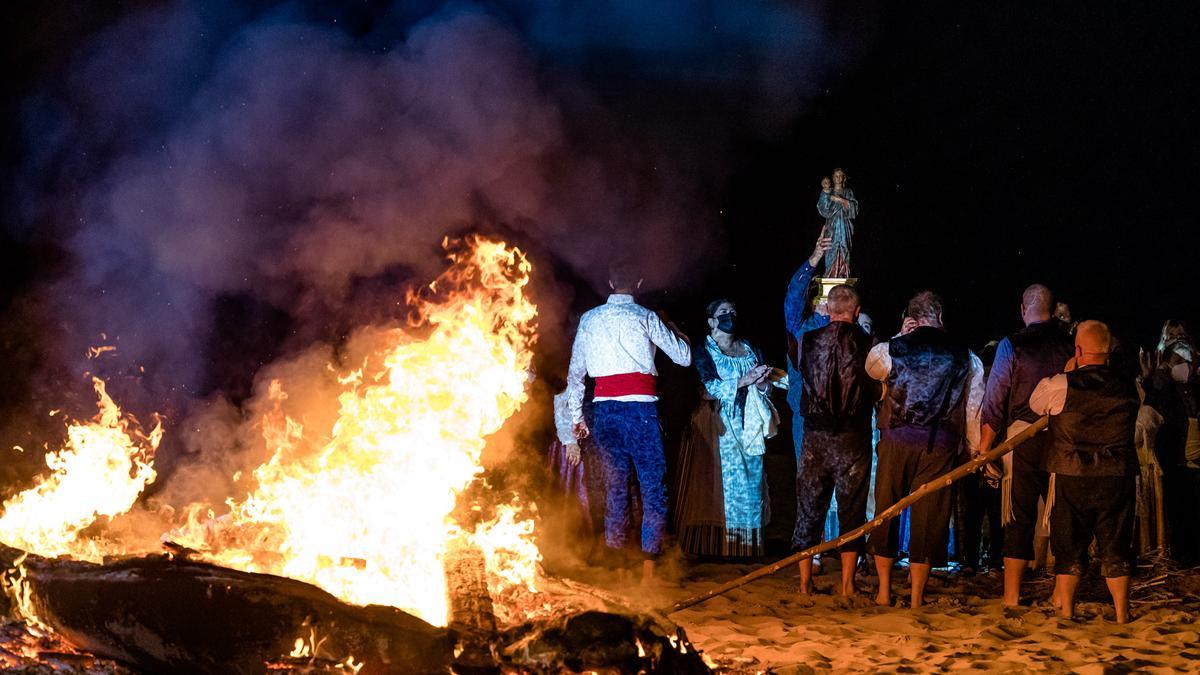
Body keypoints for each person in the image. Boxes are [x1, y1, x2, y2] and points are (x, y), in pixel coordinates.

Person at [565, 260, 691, 584]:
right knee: (653, 488)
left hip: (605, 412)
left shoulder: (589, 320)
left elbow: (575, 375)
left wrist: (577, 419)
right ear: (639, 282)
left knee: (615, 488)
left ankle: (619, 569)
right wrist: (672, 328)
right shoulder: (645, 316)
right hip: (641, 412)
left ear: (609, 283)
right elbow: (684, 357)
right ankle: (649, 570)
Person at [865, 291, 985, 608]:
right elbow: (973, 404)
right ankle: (917, 595)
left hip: (897, 439)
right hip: (941, 443)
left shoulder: (892, 348)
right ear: (941, 318)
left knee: (887, 511)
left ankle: (884, 590)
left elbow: (871, 367)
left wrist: (898, 336)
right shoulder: (966, 356)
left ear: (911, 318)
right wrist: (971, 449)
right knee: (930, 516)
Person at [1029, 320, 1139, 623]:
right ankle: (1121, 612)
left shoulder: (1063, 384)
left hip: (1072, 473)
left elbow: (1036, 403)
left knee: (1069, 544)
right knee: (1116, 543)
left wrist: (1067, 372)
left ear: (1078, 350)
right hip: (1116, 475)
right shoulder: (1129, 384)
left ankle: (1067, 609)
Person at [977, 284, 1074, 606]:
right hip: (1063, 438)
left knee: (1018, 517)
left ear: (1023, 309)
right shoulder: (1069, 343)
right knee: (1061, 514)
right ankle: (1062, 595)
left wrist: (986, 446)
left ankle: (1012, 595)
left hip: (1023, 437)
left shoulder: (1013, 345)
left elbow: (996, 396)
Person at [676, 300, 784, 557]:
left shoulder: (749, 348)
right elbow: (707, 389)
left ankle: (744, 547)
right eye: (723, 313)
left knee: (750, 482)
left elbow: (765, 386)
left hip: (748, 422)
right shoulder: (704, 350)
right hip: (718, 422)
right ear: (711, 320)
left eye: (733, 312)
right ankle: (712, 547)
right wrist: (743, 380)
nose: (730, 317)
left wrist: (760, 384)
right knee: (718, 483)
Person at [792, 285, 878, 597]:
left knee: (808, 508)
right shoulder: (867, 343)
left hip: (816, 435)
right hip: (853, 436)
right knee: (851, 508)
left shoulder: (809, 341)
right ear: (856, 312)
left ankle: (804, 582)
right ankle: (847, 584)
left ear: (828, 310)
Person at [1141, 337, 1200, 564]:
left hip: (1188, 457)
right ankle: (1184, 555)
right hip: (1177, 457)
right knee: (1181, 507)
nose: (1187, 365)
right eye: (1179, 361)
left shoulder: (1189, 386)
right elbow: (1157, 399)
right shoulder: (1164, 385)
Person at [816, 168, 859, 278]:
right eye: (836, 176)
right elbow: (822, 208)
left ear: (843, 178)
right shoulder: (828, 192)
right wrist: (825, 192)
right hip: (832, 226)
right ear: (833, 177)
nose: (838, 178)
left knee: (844, 247)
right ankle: (830, 273)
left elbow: (854, 209)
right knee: (831, 248)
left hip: (845, 226)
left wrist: (839, 200)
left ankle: (843, 273)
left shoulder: (848, 192)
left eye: (840, 176)